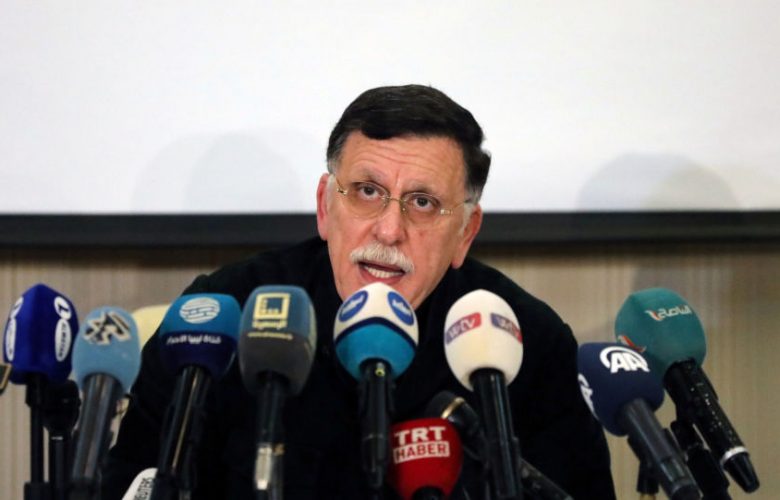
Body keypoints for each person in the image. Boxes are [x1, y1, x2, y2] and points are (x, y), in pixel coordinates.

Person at [102, 84, 616, 499]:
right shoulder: (222, 318)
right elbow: (132, 481)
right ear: (325, 206)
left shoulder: (526, 343)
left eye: (422, 202)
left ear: (466, 232)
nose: (389, 231)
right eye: (368, 192)